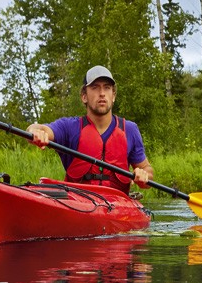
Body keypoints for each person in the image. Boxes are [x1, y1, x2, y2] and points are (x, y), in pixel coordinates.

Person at [26, 65, 154, 193]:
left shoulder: (130, 130)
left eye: (107, 88)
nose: (102, 93)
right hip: (79, 204)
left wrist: (144, 175)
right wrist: (35, 132)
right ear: (84, 96)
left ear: (113, 95)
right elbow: (40, 128)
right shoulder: (69, 127)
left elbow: (147, 169)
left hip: (117, 204)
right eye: (95, 87)